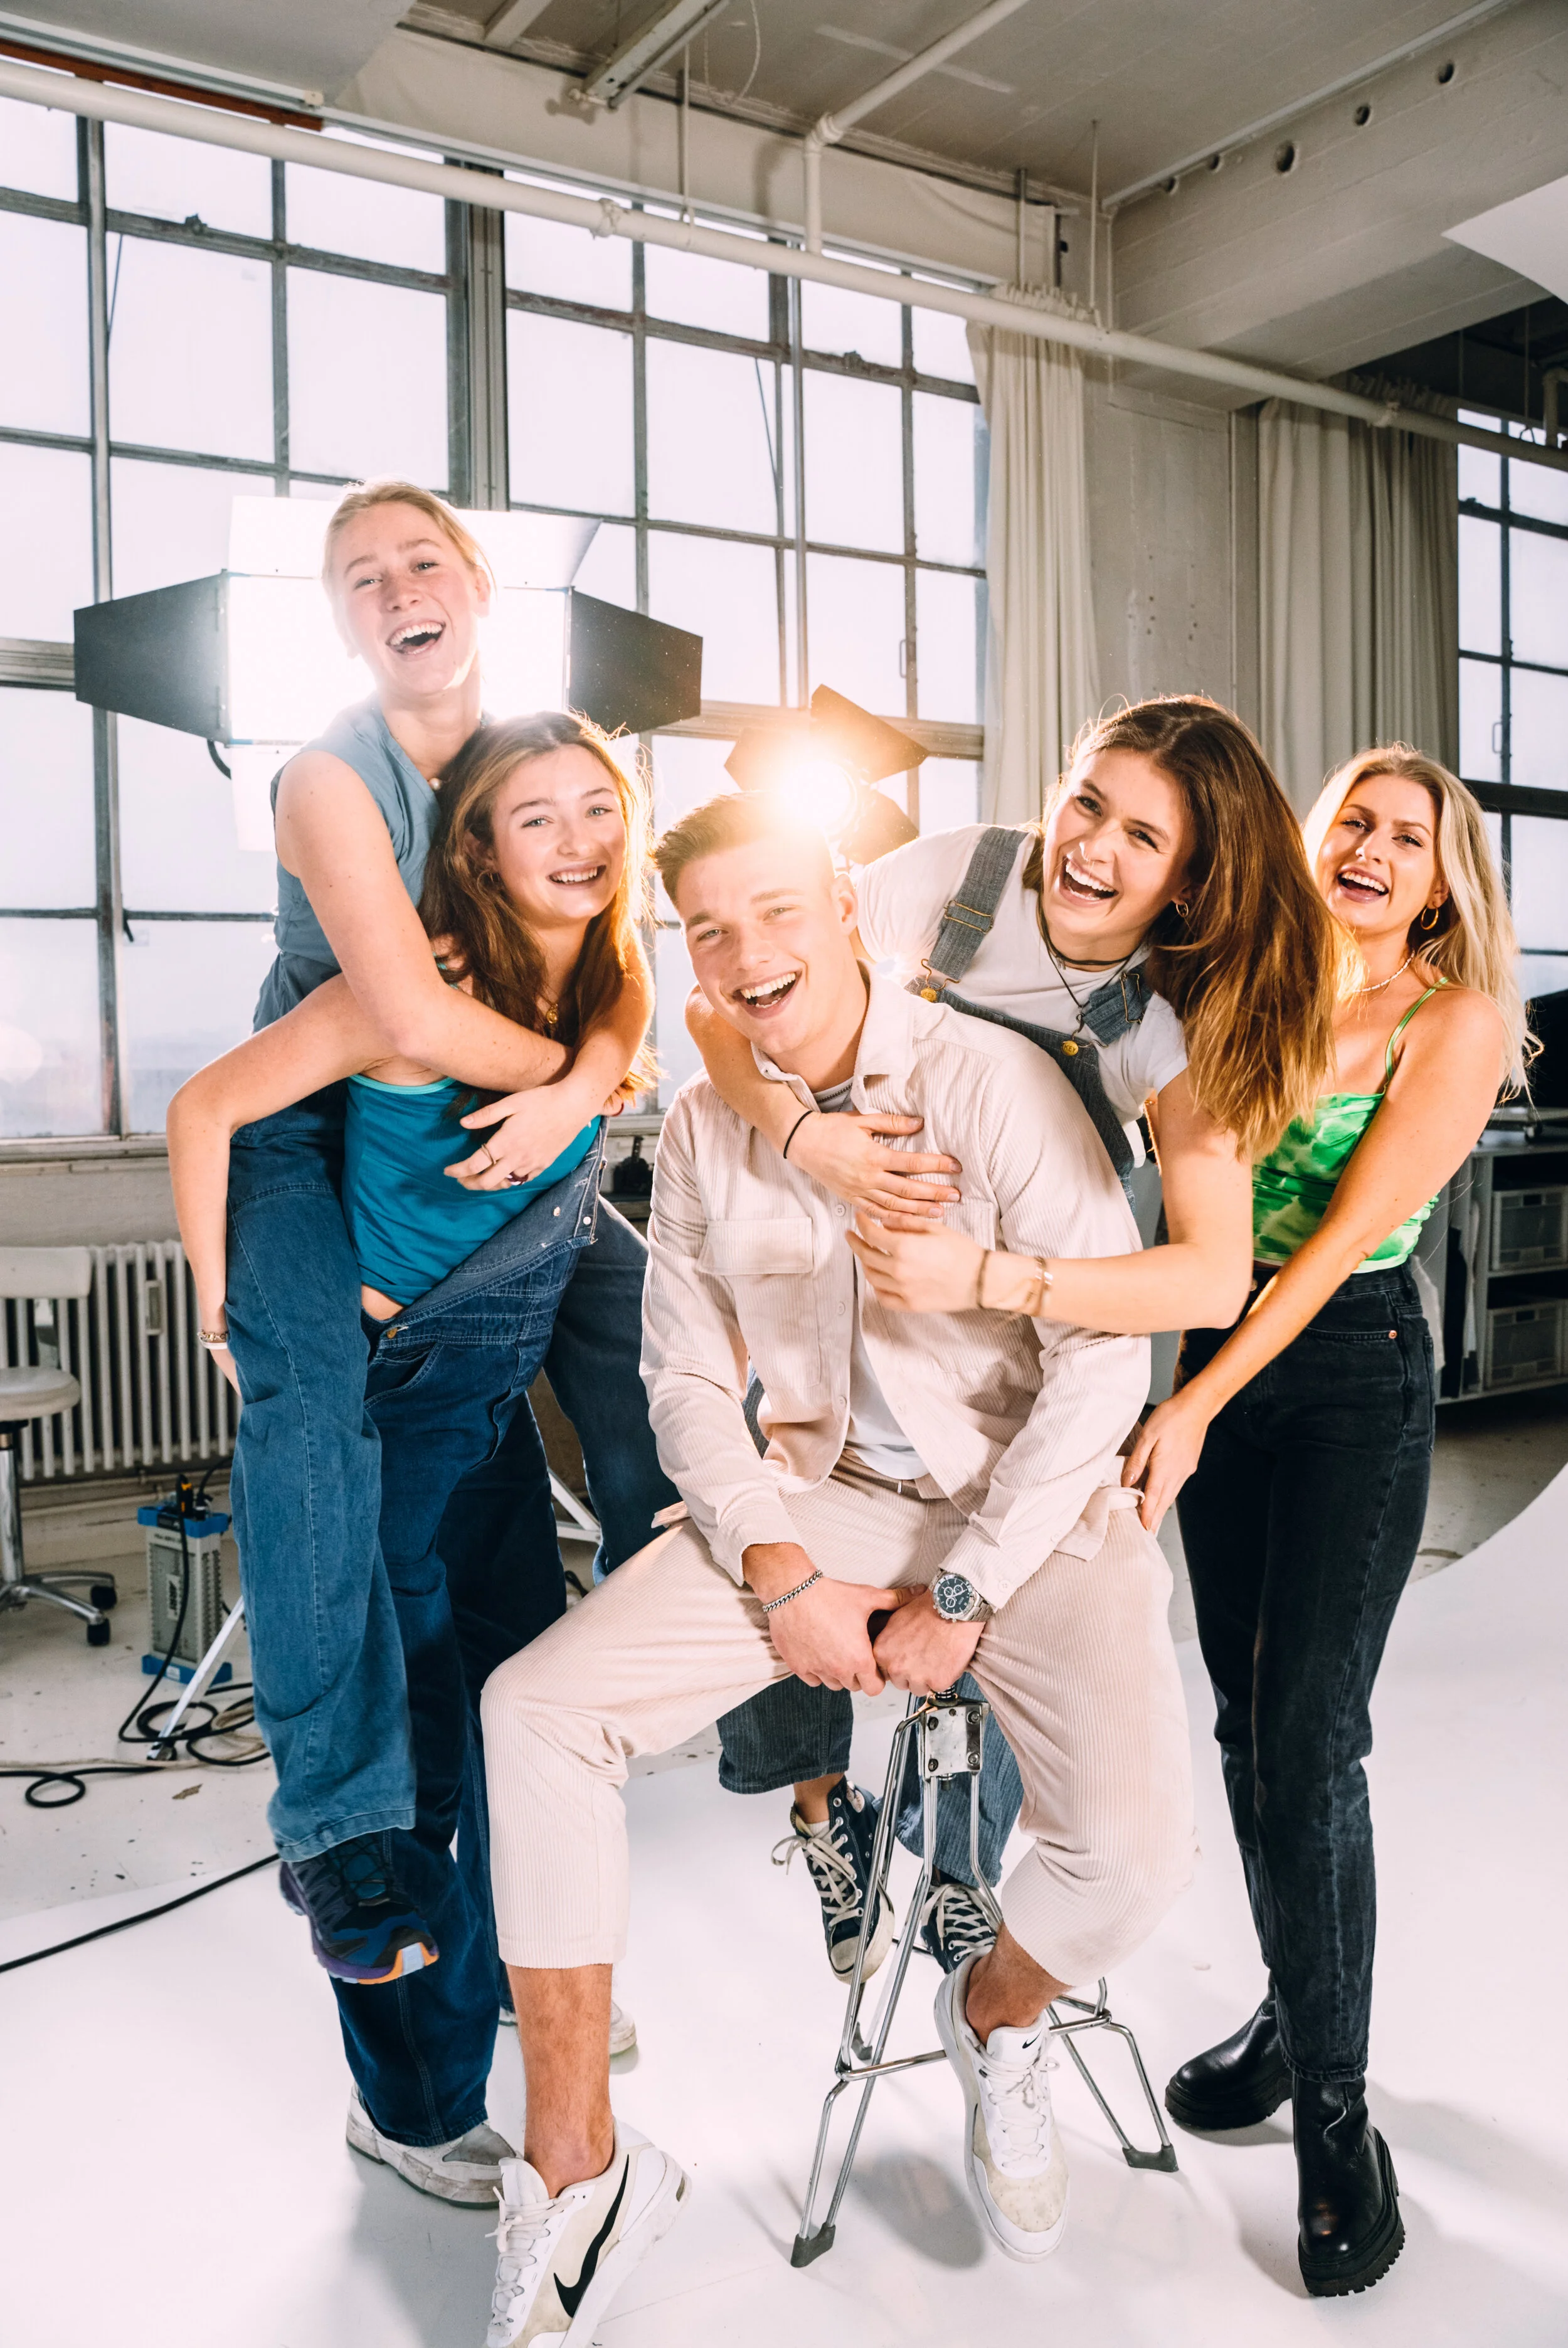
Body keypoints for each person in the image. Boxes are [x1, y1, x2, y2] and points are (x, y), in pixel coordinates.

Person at [474, 790, 1195, 2342]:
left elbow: (1098, 1363)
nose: (744, 954)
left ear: (851, 911)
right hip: (836, 1495)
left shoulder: (989, 1082)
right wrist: (784, 1565)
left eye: (778, 911)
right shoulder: (699, 1115)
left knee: (1132, 1858)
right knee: (534, 1710)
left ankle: (997, 2009)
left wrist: (967, 1588)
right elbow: (680, 1379)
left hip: (1037, 1507)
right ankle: (582, 2171)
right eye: (709, 929)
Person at [685, 698, 1337, 1977]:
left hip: (1014, 1321)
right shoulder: (953, 878)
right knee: (763, 1505)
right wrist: (806, 1136)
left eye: (1140, 836)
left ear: (1188, 876)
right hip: (848, 1263)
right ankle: (824, 1815)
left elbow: (1206, 1275)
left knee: (984, 1588)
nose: (1088, 845)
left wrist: (986, 1272)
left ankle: (955, 1877)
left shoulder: (1163, 1024)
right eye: (1086, 799)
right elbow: (729, 1008)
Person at [170, 711, 656, 2200]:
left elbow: (624, 1012)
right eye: (534, 819)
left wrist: (589, 1078)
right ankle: (414, 2098)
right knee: (422, 1751)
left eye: (597, 808)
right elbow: (210, 1107)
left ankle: (520, 1974)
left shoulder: (608, 984)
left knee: (538, 1717)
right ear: (476, 850)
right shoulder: (418, 983)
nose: (574, 840)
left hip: (489, 1396)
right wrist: (219, 1303)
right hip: (394, 1390)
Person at [210, 479, 667, 2002]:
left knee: (653, 1331)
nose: (396, 587)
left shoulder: (530, 755)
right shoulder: (327, 779)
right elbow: (401, 1013)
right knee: (310, 1421)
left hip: (502, 1134)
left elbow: (622, 962)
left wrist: (590, 1085)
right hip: (318, 1110)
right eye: (360, 577)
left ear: (476, 584)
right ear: (341, 617)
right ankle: (338, 1825)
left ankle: (736, 1656)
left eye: (422, 559)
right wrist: (562, 1086)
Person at [1122, 747, 1528, 2298]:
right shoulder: (1244, 990)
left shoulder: (1454, 1019)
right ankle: (1298, 2012)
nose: (1367, 845)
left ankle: (1337, 2120)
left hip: (1346, 1372)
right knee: (1242, 1729)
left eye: (1403, 835)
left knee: (1308, 1743)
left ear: (1441, 881)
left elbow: (1335, 1242)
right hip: (1220, 1377)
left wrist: (1195, 1396)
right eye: (1348, 819)